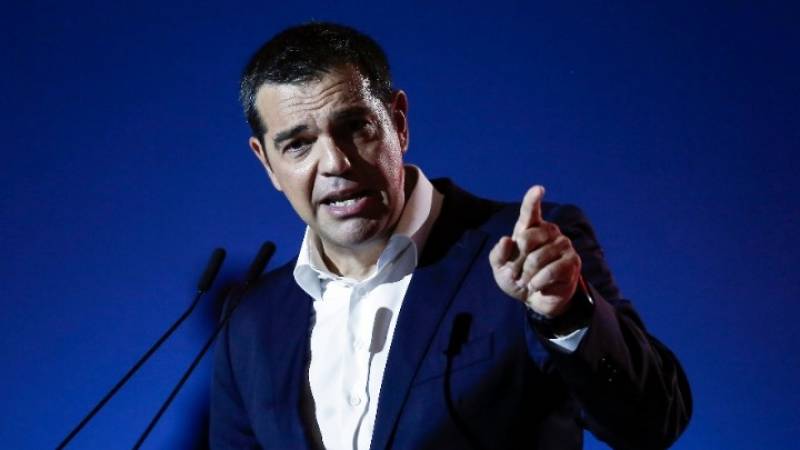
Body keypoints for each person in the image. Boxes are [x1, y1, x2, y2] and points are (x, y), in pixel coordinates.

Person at [210, 22, 692, 450]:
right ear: (266, 162)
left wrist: (566, 312)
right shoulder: (251, 322)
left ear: (398, 123)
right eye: (299, 145)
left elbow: (653, 423)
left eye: (355, 127)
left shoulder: (527, 252)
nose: (336, 163)